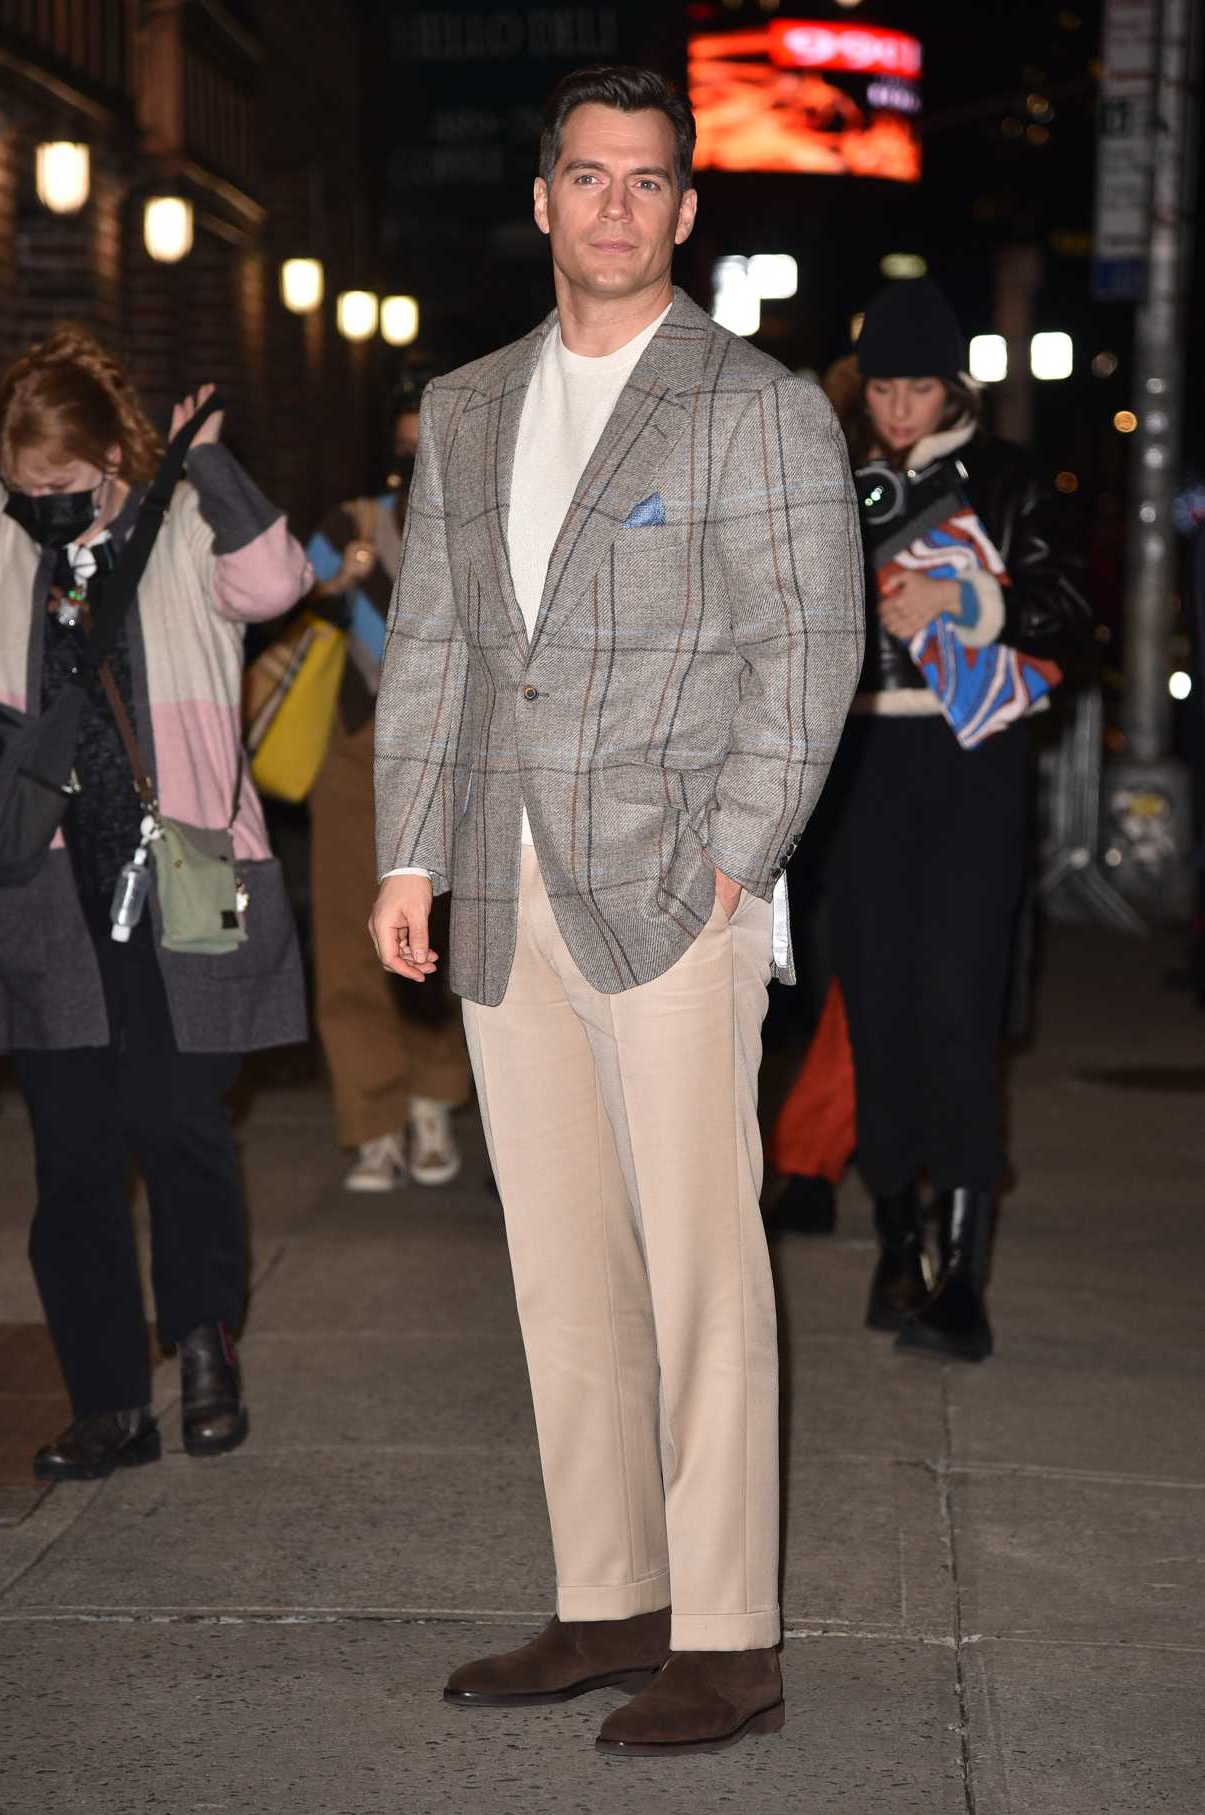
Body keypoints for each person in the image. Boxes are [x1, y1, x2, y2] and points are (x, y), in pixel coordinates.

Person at [369, 66, 863, 1756]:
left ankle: (728, 1634)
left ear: (685, 212)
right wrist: (409, 858)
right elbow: (432, 646)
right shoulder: (472, 404)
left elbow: (807, 658)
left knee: (704, 1268)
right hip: (503, 896)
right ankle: (608, 1599)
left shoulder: (754, 406)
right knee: (561, 1266)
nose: (614, 208)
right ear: (542, 199)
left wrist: (731, 862)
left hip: (671, 899)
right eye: (587, 177)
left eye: (647, 183)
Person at [0, 326, 310, 1479]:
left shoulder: (178, 531)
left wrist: (207, 464)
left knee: (182, 1130)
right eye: (23, 489)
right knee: (73, 1157)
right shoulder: (5, 548)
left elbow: (279, 579)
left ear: (113, 461)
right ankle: (108, 1404)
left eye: (63, 488)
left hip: (187, 872)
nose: (43, 507)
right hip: (51, 893)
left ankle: (205, 1343)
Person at [829, 278, 1090, 1361]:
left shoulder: (1006, 479)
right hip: (858, 766)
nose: (898, 408)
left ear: (953, 385)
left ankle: (964, 1276)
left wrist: (962, 601)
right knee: (876, 1010)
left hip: (972, 758)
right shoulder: (833, 485)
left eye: (918, 387)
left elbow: (1073, 612)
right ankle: (900, 1238)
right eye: (882, 387)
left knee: (956, 1007)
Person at [306, 385, 471, 1192]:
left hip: (452, 752)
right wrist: (338, 582)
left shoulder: (484, 523)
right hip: (356, 743)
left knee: (438, 935)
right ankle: (372, 1117)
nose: (416, 463)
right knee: (345, 932)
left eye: (428, 445)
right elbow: (282, 588)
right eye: (404, 448)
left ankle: (436, 1099)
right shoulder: (353, 522)